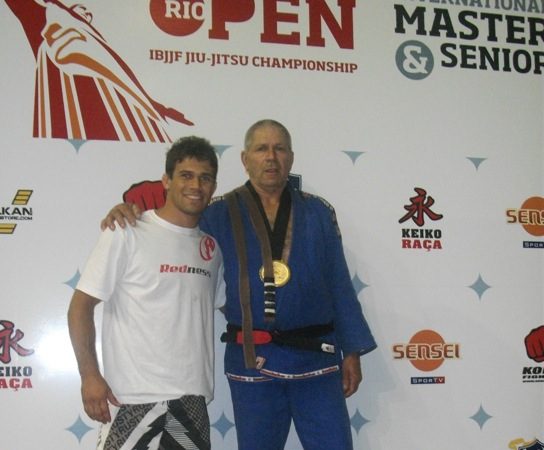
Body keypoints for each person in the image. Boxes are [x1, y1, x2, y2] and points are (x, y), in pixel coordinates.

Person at [103, 119, 377, 450]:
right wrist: (131, 211)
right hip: (252, 360)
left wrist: (352, 351)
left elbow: (339, 283)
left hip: (316, 358)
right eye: (261, 149)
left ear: (291, 157)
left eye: (279, 148)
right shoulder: (216, 213)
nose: (271, 157)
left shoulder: (318, 211)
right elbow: (173, 226)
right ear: (245, 159)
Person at [68, 136, 224, 450]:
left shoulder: (212, 248)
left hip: (191, 400)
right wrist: (89, 375)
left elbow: (225, 308)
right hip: (131, 397)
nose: (196, 185)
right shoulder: (127, 231)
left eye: (205, 178)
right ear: (166, 181)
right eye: (186, 175)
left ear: (213, 187)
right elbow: (80, 307)